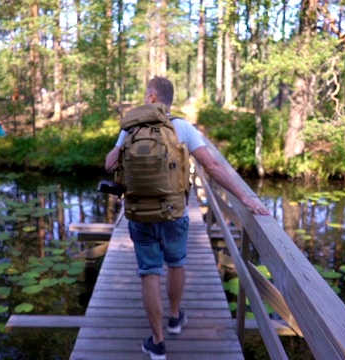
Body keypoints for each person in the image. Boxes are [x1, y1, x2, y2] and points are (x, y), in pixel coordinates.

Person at [105, 76, 270, 360]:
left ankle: (157, 342)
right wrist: (245, 197)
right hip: (174, 211)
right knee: (176, 262)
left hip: (139, 213)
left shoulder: (130, 127)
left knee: (149, 272)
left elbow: (109, 163)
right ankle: (174, 317)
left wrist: (121, 149)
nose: (145, 98)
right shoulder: (181, 127)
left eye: (147, 94)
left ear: (154, 97)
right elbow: (212, 165)